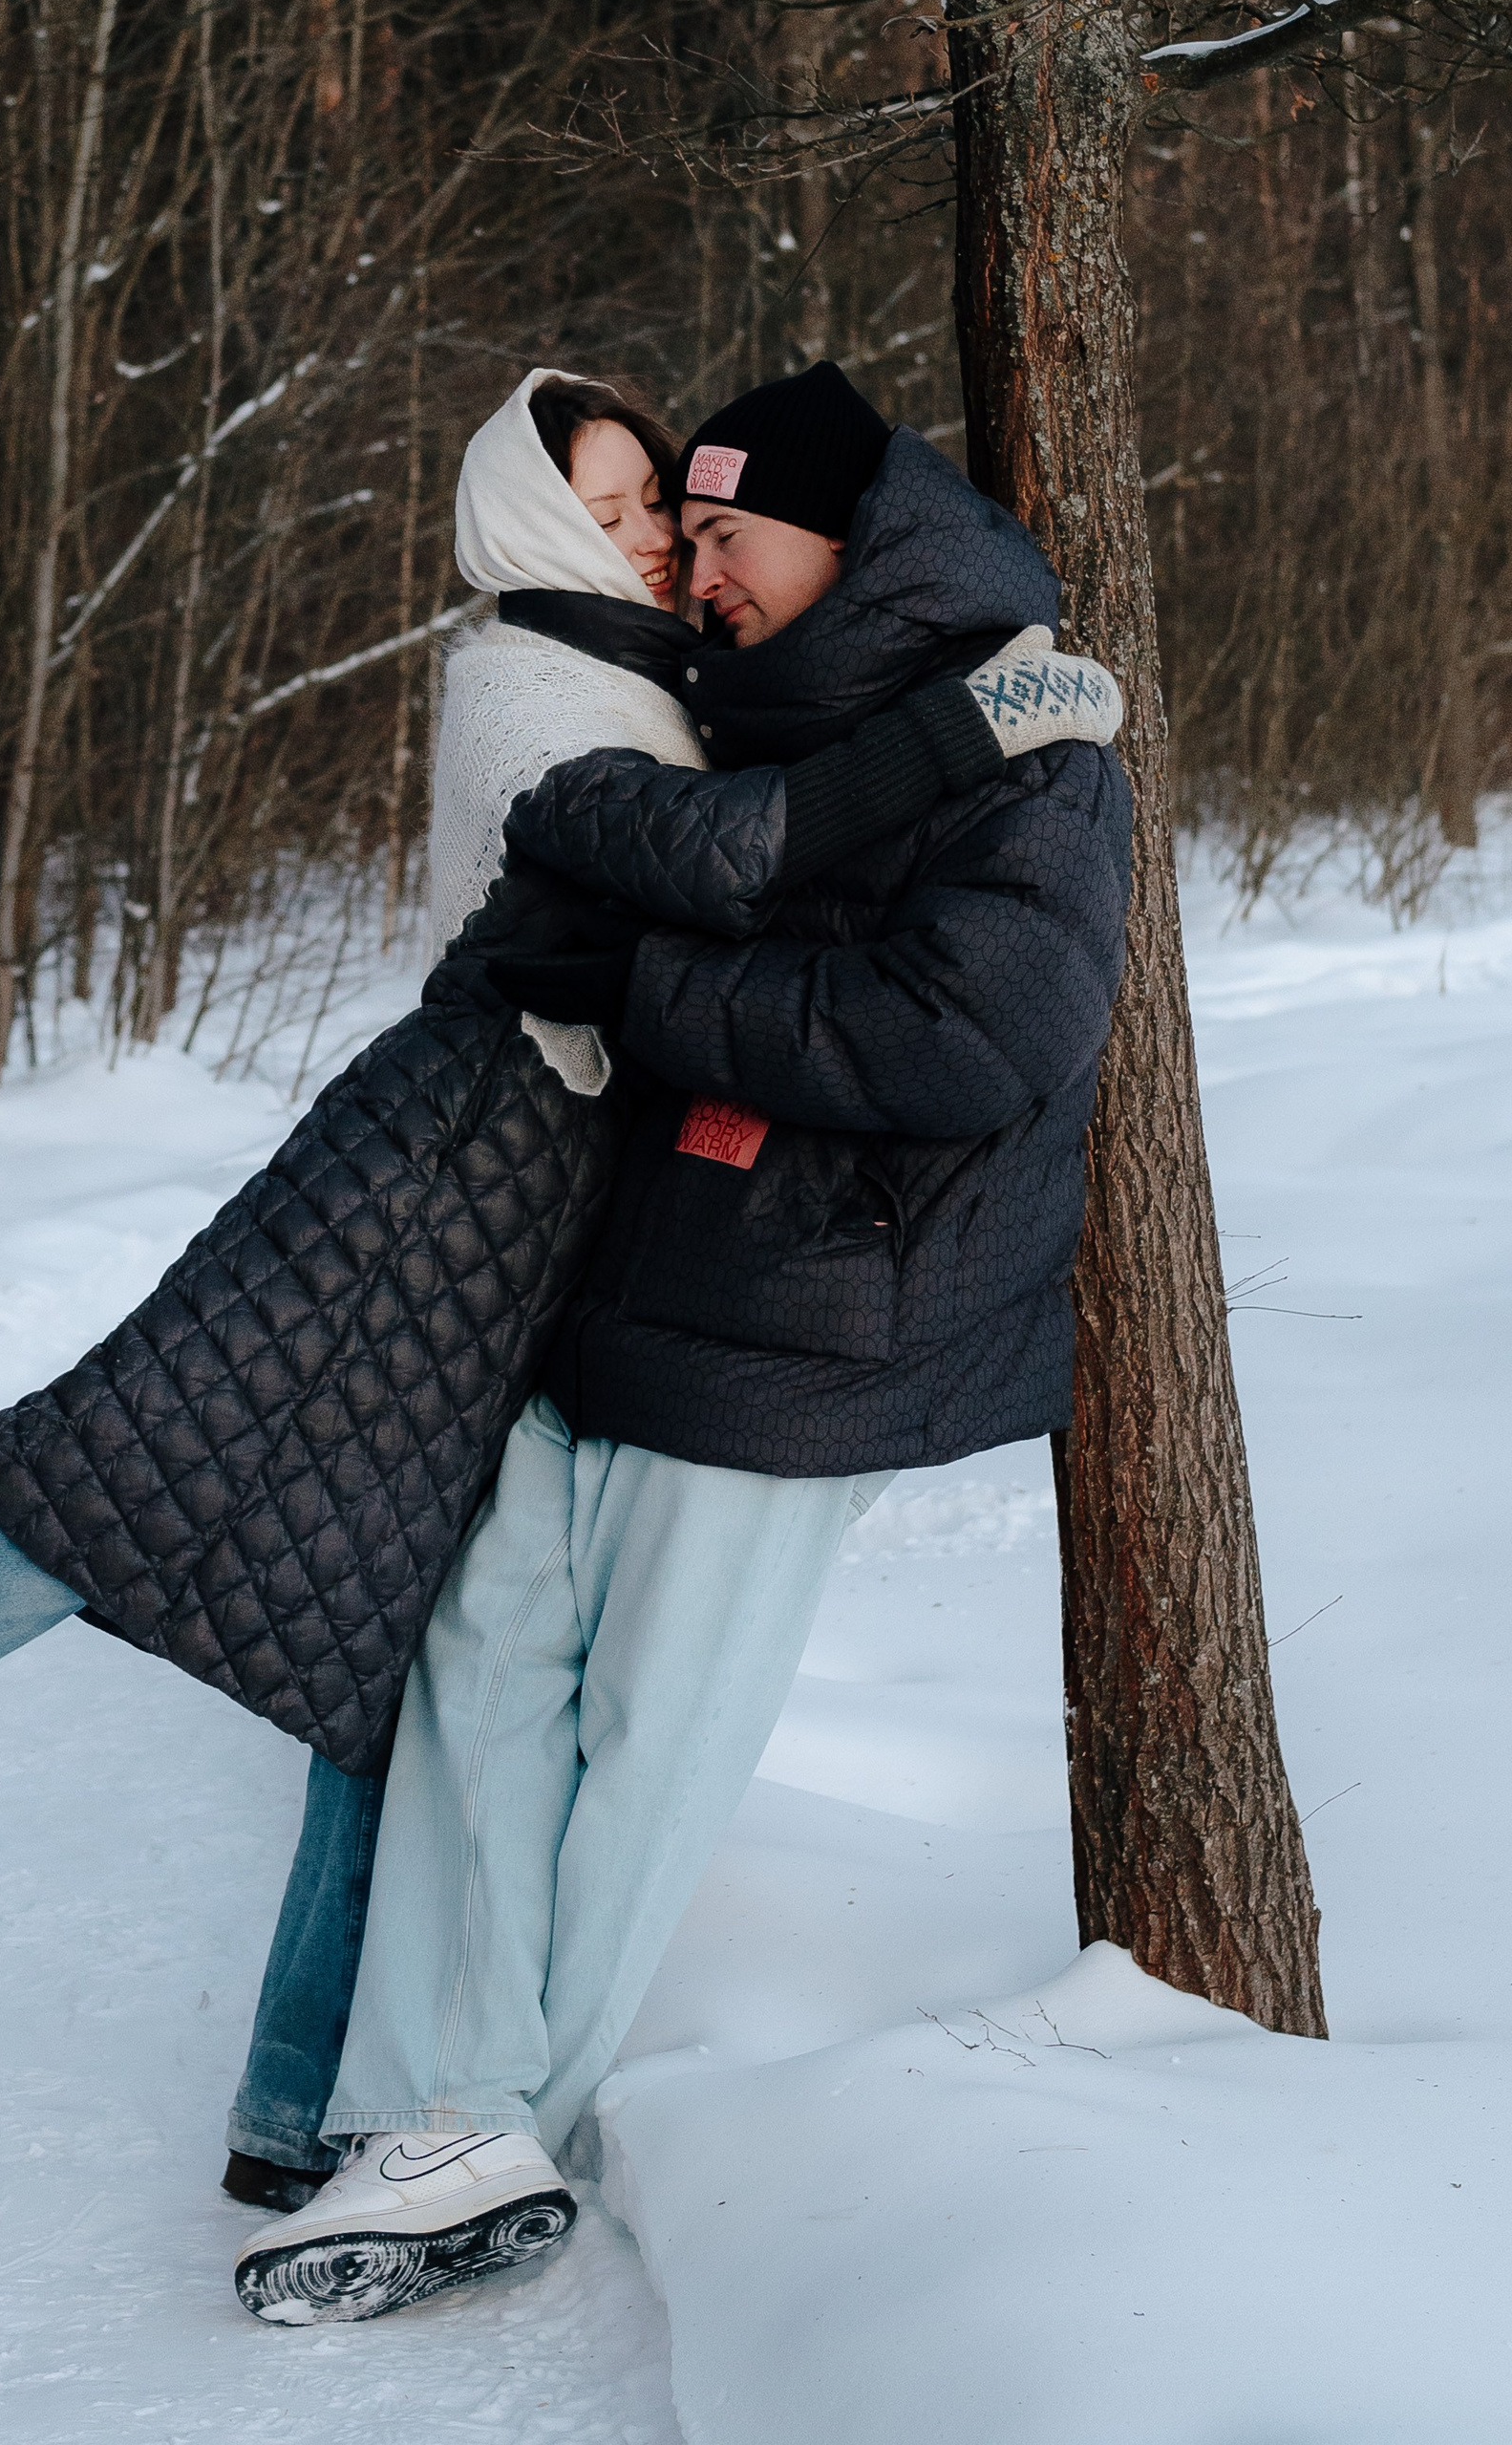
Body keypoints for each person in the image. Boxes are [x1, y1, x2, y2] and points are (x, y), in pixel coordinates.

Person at [230, 361, 1132, 2325]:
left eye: (724, 536)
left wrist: (649, 990)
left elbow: (961, 1036)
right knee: (477, 1653)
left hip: (815, 1304)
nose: (693, 571)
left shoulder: (1031, 741)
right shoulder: (741, 716)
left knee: (653, 1722)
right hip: (638, 1266)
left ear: (849, 532)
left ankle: (497, 2120)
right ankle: (423, 2109)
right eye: (683, 533)